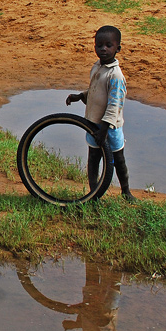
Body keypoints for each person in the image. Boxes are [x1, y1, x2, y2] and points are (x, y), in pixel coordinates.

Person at [65, 25, 135, 201]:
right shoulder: (97, 67)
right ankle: (93, 193)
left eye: (109, 45)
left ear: (117, 48)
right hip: (92, 122)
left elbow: (115, 104)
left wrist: (104, 128)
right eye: (99, 45)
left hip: (110, 127)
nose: (103, 49)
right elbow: (96, 92)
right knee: (93, 157)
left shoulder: (116, 76)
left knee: (118, 159)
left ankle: (126, 192)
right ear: (94, 46)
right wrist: (80, 96)